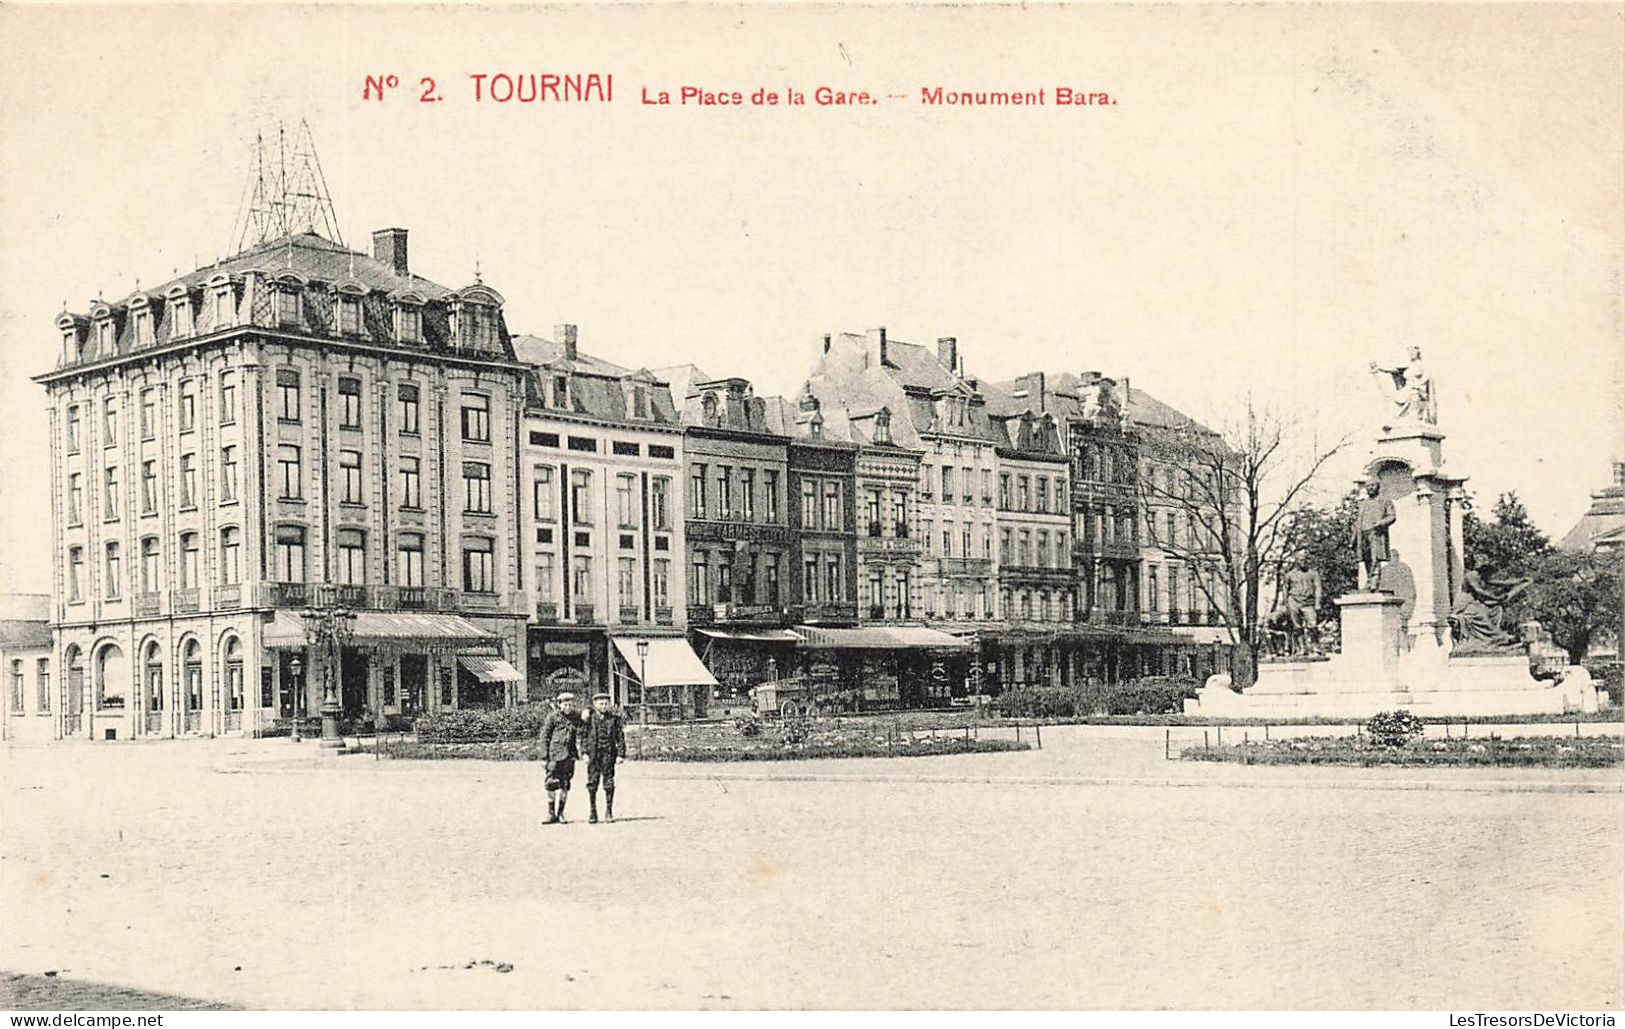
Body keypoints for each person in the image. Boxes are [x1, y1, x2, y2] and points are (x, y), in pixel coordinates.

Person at [1449, 554, 1531, 648]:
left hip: (1474, 601)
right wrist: (1495, 598)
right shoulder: (1471, 575)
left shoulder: (1482, 576)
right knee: (1480, 615)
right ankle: (1497, 636)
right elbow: (1478, 590)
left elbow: (1501, 583)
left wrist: (1520, 580)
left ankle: (1493, 637)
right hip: (1465, 603)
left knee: (1496, 608)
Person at [539, 692, 585, 825]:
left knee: (565, 785)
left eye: (570, 704)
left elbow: (585, 724)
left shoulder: (576, 716)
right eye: (565, 704)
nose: (568, 707)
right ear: (559, 705)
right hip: (554, 755)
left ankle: (561, 813)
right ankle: (551, 813)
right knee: (550, 784)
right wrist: (543, 757)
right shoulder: (552, 717)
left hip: (569, 756)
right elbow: (544, 737)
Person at [582, 692, 628, 824]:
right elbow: (583, 736)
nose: (603, 706)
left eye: (606, 703)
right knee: (592, 783)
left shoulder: (614, 719)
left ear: (609, 705)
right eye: (600, 703)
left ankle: (609, 811)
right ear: (595, 704)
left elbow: (620, 737)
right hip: (593, 755)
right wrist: (584, 753)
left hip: (608, 754)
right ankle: (593, 812)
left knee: (609, 783)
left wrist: (620, 754)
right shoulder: (589, 718)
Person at [1353, 480, 1396, 590]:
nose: (1370, 488)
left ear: (1378, 487)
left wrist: (1380, 523)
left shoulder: (1385, 500)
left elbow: (1392, 516)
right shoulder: (1363, 503)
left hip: (1376, 533)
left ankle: (1374, 582)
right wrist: (1354, 537)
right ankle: (1369, 580)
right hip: (1363, 534)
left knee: (1375, 558)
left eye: (1372, 485)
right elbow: (1358, 521)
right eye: (1368, 486)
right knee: (1366, 558)